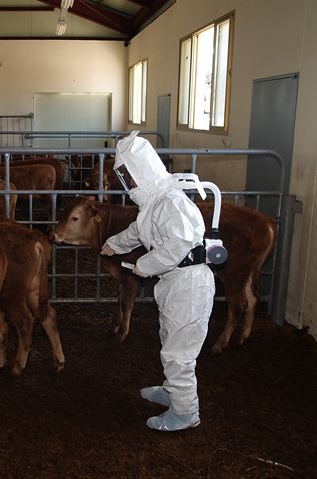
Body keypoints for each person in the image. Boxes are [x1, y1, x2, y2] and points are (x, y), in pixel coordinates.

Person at [100, 132, 215, 432]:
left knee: (179, 351)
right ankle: (173, 390)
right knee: (170, 339)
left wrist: (143, 265)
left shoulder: (169, 202)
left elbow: (178, 244)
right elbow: (137, 232)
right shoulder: (154, 204)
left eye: (126, 175)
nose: (125, 183)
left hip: (188, 284)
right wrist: (114, 243)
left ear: (139, 170)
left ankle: (186, 411)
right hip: (176, 284)